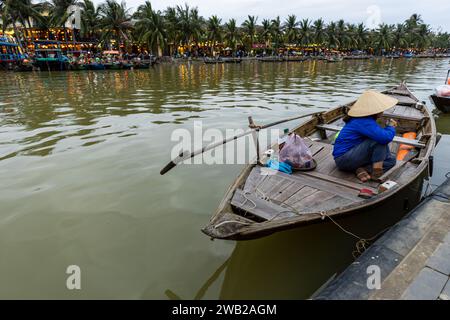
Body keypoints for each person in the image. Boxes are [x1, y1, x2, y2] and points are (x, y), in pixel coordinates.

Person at [333, 90, 399, 182]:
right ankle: (376, 173)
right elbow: (385, 138)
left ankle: (360, 168)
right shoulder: (363, 121)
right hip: (344, 159)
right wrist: (391, 127)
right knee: (379, 140)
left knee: (391, 160)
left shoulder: (364, 120)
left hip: (352, 156)